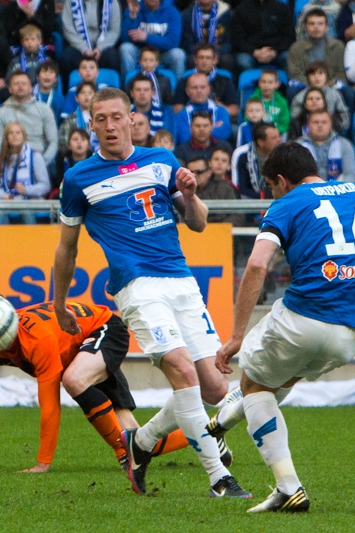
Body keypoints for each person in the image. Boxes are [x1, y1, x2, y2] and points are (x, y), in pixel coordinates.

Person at [209, 142, 355, 513]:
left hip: (307, 317)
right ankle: (219, 426)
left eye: (270, 186)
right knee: (282, 379)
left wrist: (235, 336)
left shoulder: (287, 203)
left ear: (282, 180)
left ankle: (288, 488)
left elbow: (257, 266)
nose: (271, 193)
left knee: (253, 384)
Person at [53, 87, 249, 498]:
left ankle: (140, 442)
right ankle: (219, 477)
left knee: (214, 388)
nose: (109, 125)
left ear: (132, 118)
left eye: (116, 117)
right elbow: (66, 248)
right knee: (181, 369)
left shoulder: (161, 161)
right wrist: (58, 303)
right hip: (135, 286)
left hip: (181, 281)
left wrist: (192, 196)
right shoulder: (77, 178)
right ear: (91, 125)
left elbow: (198, 223)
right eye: (100, 119)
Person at [0, 299, 191, 473]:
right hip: (77, 351)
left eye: (6, 341)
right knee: (142, 440)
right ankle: (207, 434)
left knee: (74, 379)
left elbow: (49, 405)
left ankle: (123, 454)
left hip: (103, 328)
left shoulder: (37, 340)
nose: (2, 348)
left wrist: (42, 463)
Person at [0, 72, 59, 172]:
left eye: (24, 83)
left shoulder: (44, 109)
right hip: (10, 165)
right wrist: (10, 165)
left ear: (31, 88)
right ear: (10, 89)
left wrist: (41, 164)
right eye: (16, 83)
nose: (20, 86)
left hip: (39, 163)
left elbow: (53, 142)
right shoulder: (1, 113)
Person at [0, 122, 50, 224]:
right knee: (0, 211)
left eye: (18, 132)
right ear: (6, 137)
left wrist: (27, 190)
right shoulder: (1, 160)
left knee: (25, 209)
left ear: (24, 136)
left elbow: (45, 186)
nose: (14, 135)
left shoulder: (35, 156)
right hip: (8, 202)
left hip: (31, 201)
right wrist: (3, 195)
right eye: (11, 133)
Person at [288, 9, 348, 98]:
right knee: (292, 90)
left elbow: (341, 73)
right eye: (312, 24)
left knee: (348, 92)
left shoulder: (338, 46)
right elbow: (295, 73)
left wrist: (327, 85)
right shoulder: (296, 48)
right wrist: (312, 84)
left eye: (320, 24)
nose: (316, 27)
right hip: (305, 85)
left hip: (330, 85)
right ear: (305, 27)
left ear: (327, 27)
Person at [120, 0, 185, 81]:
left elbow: (173, 42)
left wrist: (147, 37)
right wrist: (132, 16)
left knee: (178, 55)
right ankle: (128, 87)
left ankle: (178, 90)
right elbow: (125, 39)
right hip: (141, 53)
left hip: (162, 54)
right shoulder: (134, 8)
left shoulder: (172, 12)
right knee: (126, 48)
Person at [60, 0, 122, 82]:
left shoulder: (111, 2)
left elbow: (114, 31)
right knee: (67, 57)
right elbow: (68, 29)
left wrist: (100, 48)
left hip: (102, 46)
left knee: (112, 57)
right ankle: (68, 91)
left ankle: (113, 91)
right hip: (79, 46)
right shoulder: (71, 2)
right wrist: (84, 48)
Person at [171, 43, 238, 119]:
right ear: (195, 60)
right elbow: (176, 109)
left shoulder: (225, 80)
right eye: (201, 57)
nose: (204, 61)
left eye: (208, 58)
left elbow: (234, 111)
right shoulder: (185, 80)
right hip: (191, 122)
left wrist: (216, 105)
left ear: (215, 60)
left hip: (218, 120)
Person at [230, 0, 295, 73]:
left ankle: (284, 84)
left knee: (288, 58)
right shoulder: (241, 9)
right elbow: (237, 39)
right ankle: (252, 84)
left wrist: (275, 51)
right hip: (250, 52)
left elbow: (289, 37)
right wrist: (254, 52)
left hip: (277, 51)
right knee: (244, 62)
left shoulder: (282, 8)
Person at [295, 109, 355, 182]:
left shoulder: (344, 144)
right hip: (307, 190)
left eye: (324, 122)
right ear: (308, 125)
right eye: (315, 122)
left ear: (331, 124)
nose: (320, 125)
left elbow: (351, 175)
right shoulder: (297, 146)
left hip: (338, 191)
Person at [288, 62, 349, 133]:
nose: (316, 77)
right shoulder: (299, 98)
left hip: (332, 132)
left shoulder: (335, 95)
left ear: (327, 76)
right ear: (308, 78)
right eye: (313, 74)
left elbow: (344, 118)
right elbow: (295, 121)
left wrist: (333, 124)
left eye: (320, 73)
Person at [173, 72, 230, 145]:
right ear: (187, 91)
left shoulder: (221, 111)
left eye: (202, 87)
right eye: (194, 87)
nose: (199, 91)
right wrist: (213, 129)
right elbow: (184, 139)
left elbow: (224, 134)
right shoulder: (181, 115)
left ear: (209, 89)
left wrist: (195, 132)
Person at [186, 154, 241, 225]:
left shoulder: (224, 188)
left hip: (221, 232)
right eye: (191, 172)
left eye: (199, 172)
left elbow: (237, 215)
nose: (194, 175)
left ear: (209, 172)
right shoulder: (184, 191)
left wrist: (218, 229)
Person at [179, 0, 234, 72]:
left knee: (227, 60)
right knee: (191, 60)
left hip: (219, 52)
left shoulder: (226, 13)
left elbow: (230, 41)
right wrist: (200, 53)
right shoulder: (187, 15)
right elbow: (186, 42)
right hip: (196, 52)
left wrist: (214, 53)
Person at [231, 122, 281, 198]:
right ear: (261, 142)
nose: (279, 140)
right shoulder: (242, 155)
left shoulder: (283, 155)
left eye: (279, 136)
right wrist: (263, 196)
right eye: (274, 138)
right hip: (248, 203)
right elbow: (239, 188)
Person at [248, 69, 290, 136]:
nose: (266, 85)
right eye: (263, 82)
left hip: (276, 134)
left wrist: (275, 131)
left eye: (270, 82)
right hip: (257, 134)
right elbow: (247, 119)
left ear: (277, 84)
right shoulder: (253, 99)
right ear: (259, 83)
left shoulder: (282, 101)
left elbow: (285, 124)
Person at [33, 60, 64, 128]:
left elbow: (60, 120)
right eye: (44, 72)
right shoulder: (31, 95)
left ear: (56, 78)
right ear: (37, 77)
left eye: (51, 72)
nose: (47, 75)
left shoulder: (59, 98)